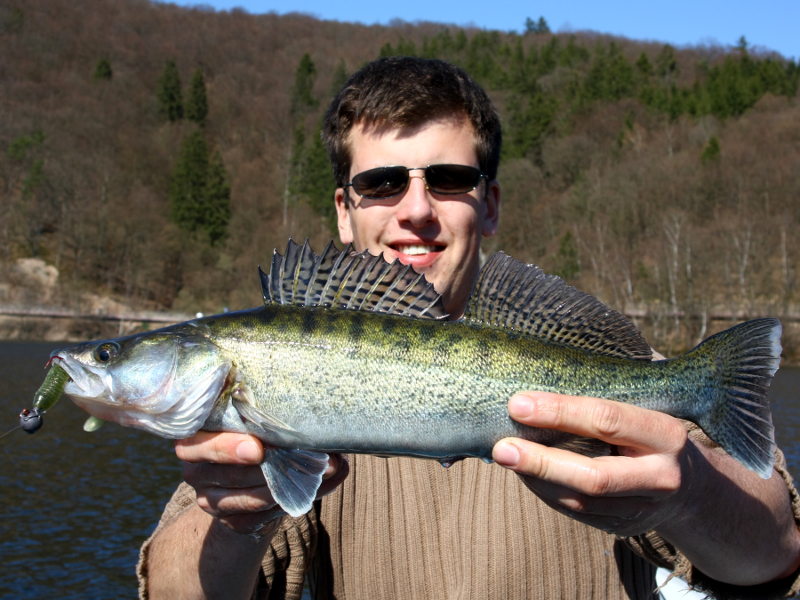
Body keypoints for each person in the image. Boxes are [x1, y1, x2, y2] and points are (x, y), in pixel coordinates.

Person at [138, 56, 800, 599]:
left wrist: (691, 495)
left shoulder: (609, 376)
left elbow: (776, 557)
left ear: (489, 205)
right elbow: (170, 591)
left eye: (450, 179)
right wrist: (233, 521)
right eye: (383, 183)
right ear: (344, 210)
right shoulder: (284, 371)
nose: (416, 211)